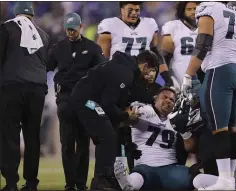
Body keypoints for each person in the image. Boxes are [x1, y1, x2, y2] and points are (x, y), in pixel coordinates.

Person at [69, 50, 159, 190]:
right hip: (86, 101)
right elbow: (108, 103)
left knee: (111, 134)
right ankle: (101, 179)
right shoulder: (125, 73)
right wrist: (125, 116)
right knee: (107, 135)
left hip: (88, 98)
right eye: (152, 70)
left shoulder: (127, 69)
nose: (151, 74)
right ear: (145, 65)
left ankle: (108, 175)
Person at [181, 2, 236, 190]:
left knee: (219, 129)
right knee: (232, 129)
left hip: (220, 70)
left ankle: (225, 180)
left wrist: (188, 74)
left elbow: (203, 43)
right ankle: (230, 179)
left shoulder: (208, 7)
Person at [47, 12, 105, 190]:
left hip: (85, 99)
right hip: (64, 98)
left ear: (81, 27)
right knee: (67, 143)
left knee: (83, 142)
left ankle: (80, 183)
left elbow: (101, 72)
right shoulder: (58, 48)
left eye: (73, 29)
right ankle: (69, 183)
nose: (71, 33)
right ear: (65, 29)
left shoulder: (93, 48)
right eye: (68, 29)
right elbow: (44, 67)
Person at [0, 2, 50, 191]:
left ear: (16, 13)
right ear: (32, 16)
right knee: (32, 136)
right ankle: (31, 183)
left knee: (10, 135)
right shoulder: (43, 36)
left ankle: (11, 183)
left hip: (12, 87)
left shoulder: (7, 28)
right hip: (37, 89)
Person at [113, 87, 199, 190]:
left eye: (172, 100)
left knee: (195, 177)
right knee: (140, 176)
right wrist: (129, 118)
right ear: (155, 100)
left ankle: (220, 182)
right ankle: (128, 183)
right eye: (165, 97)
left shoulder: (176, 119)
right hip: (145, 166)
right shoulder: (144, 111)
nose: (168, 101)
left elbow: (191, 149)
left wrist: (184, 131)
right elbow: (123, 120)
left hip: (170, 167)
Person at [97, 1, 173, 86]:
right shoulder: (110, 25)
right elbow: (102, 57)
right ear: (122, 10)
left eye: (137, 10)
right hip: (119, 76)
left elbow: (155, 52)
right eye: (130, 10)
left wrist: (167, 78)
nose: (134, 13)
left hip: (144, 77)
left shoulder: (149, 24)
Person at [160, 1, 201, 93]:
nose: (193, 12)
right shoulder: (174, 26)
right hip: (179, 79)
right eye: (189, 9)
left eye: (195, 8)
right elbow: (164, 57)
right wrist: (169, 78)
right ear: (182, 11)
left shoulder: (207, 26)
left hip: (202, 79)